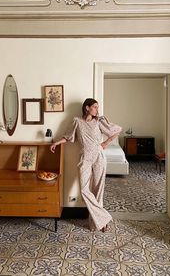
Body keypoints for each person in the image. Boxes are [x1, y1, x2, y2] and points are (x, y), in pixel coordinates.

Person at [50, 98, 122, 232]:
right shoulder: (77, 121)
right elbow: (68, 137)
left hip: (99, 156)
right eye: (94, 107)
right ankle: (104, 218)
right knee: (84, 190)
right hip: (85, 158)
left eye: (97, 107)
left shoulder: (99, 121)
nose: (97, 109)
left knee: (98, 189)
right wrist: (56, 143)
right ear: (87, 108)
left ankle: (97, 224)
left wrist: (105, 144)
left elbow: (117, 130)